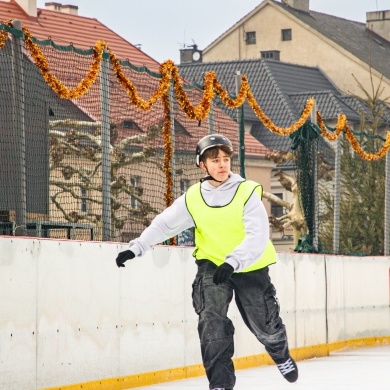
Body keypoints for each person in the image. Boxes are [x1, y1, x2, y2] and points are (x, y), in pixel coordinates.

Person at [116, 134, 298, 390]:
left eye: (226, 159)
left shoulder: (246, 192)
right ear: (203, 165)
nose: (222, 165)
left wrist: (234, 261)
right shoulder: (194, 197)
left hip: (250, 265)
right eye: (215, 160)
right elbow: (165, 223)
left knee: (264, 324)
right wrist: (137, 247)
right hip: (212, 264)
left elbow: (257, 235)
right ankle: (220, 384)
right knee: (211, 323)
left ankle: (280, 353)